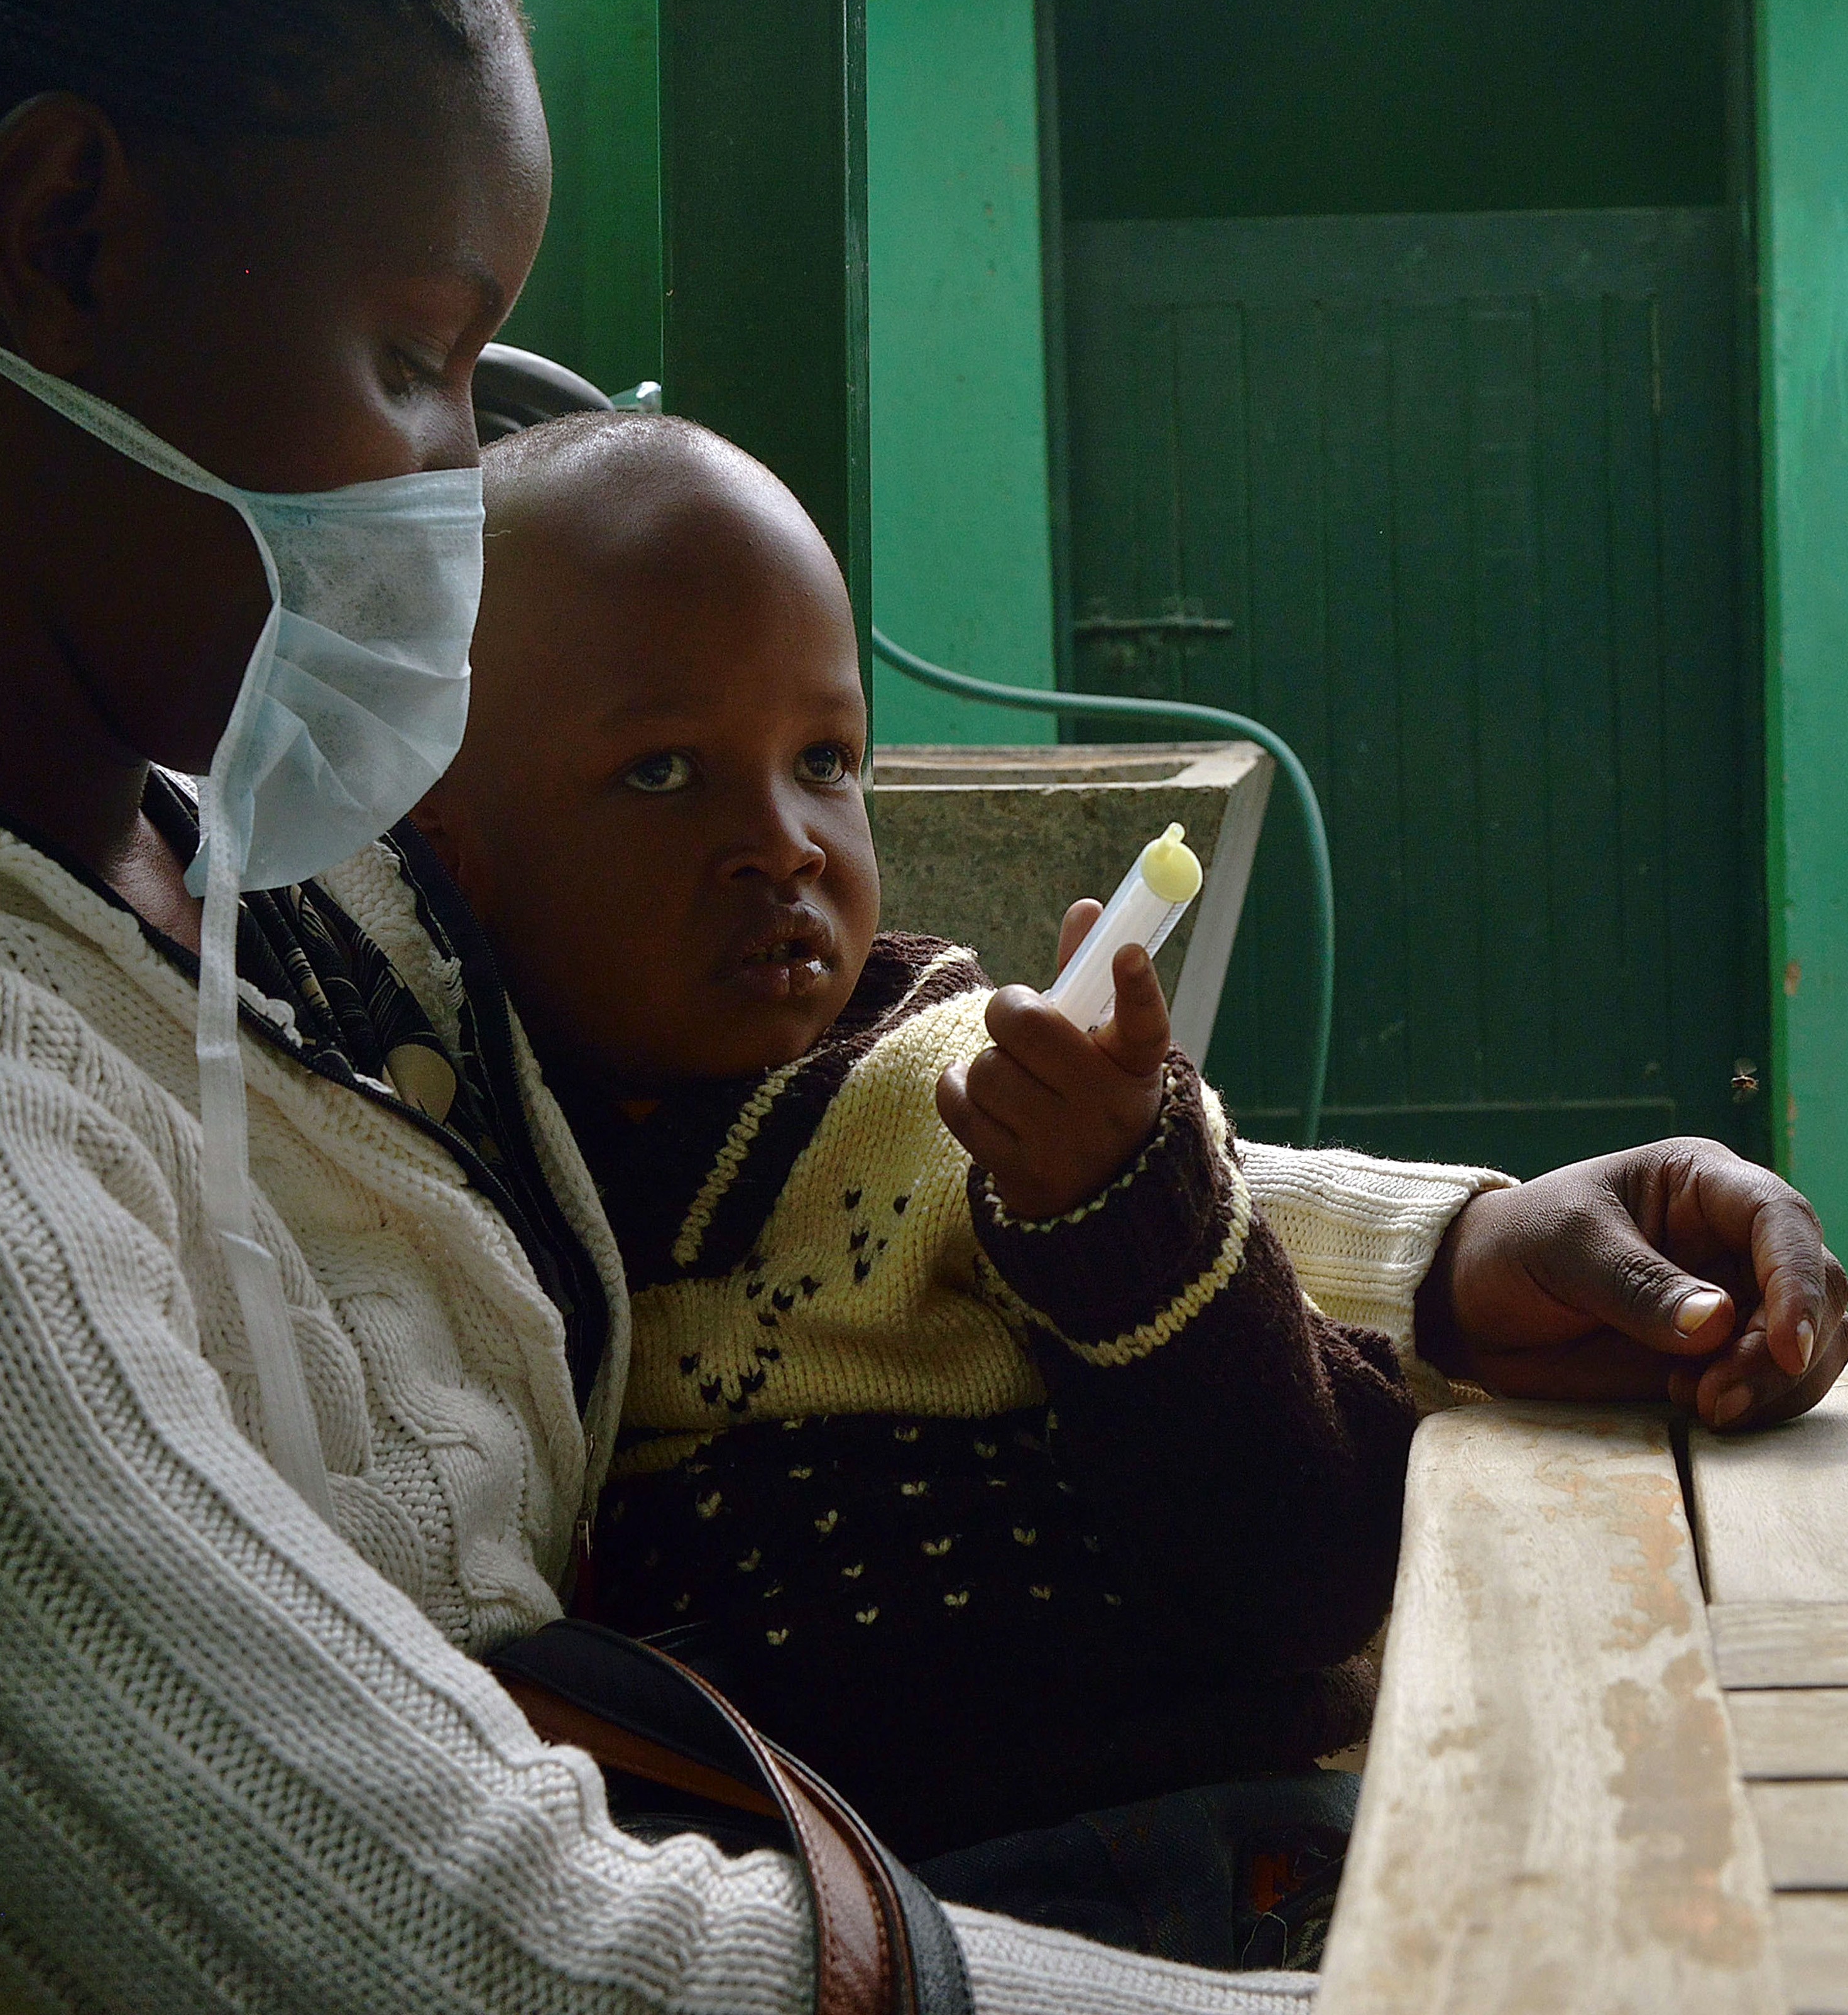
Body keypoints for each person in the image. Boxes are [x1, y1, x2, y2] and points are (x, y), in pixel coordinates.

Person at [0, 0, 1848, 2015]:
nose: (468, 499)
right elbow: (478, 1961)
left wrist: (1444, 1260)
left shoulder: (237, 821)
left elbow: (819, 1153)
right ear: (66, 236)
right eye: (416, 356)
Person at [407, 414, 1415, 1879]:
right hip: (846, 1902)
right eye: (661, 775)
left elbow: (1315, 1565)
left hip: (1212, 1837)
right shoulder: (458, 1170)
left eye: (824, 758)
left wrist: (1123, 1214)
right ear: (451, 850)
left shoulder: (986, 1106)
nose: (786, 841)